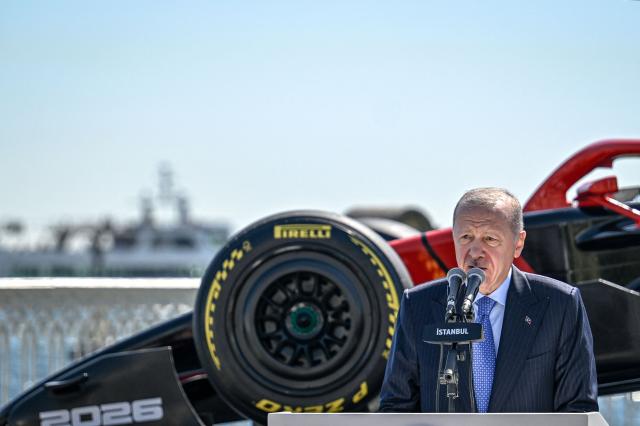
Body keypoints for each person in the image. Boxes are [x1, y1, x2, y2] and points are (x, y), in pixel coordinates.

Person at [379, 187, 598, 413]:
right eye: (466, 237)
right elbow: (396, 407)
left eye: (490, 239)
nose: (475, 252)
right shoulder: (418, 305)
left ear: (518, 243)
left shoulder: (559, 304)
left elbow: (577, 409)